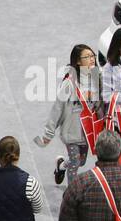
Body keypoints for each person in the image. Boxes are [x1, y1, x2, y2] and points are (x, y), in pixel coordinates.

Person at [35, 45, 100, 186]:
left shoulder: (94, 78)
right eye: (87, 57)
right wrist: (48, 133)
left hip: (87, 132)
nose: (91, 59)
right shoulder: (69, 83)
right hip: (71, 131)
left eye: (92, 56)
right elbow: (57, 108)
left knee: (80, 162)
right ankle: (72, 194)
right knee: (75, 162)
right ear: (77, 61)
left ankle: (61, 165)